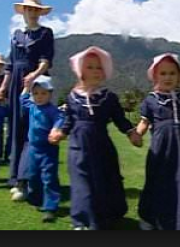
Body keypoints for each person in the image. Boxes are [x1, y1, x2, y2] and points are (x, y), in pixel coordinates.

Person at [49, 46, 141, 230]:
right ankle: (82, 219)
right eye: (90, 67)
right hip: (78, 148)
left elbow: (119, 119)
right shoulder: (72, 97)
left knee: (105, 180)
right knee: (82, 183)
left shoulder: (109, 97)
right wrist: (60, 133)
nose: (95, 71)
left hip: (102, 147)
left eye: (99, 67)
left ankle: (107, 215)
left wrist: (132, 133)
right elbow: (68, 121)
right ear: (80, 71)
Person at [0, 0, 54, 195]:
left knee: (34, 129)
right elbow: (10, 65)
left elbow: (46, 60)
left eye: (35, 9)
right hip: (15, 84)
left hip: (36, 83)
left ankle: (27, 178)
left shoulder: (46, 33)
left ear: (40, 12)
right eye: (29, 9)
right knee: (15, 129)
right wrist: (3, 87)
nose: (32, 12)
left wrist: (34, 76)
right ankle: (15, 177)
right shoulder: (16, 34)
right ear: (24, 11)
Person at [135, 53, 180, 230]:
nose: (168, 77)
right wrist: (137, 135)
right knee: (156, 181)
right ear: (155, 76)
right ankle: (149, 217)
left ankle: (178, 220)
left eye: (172, 73)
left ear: (179, 76)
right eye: (163, 73)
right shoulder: (151, 100)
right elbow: (144, 122)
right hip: (160, 150)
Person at [20, 75, 64, 223]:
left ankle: (50, 207)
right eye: (36, 93)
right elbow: (22, 100)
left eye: (43, 93)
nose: (39, 97)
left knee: (49, 177)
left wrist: (55, 129)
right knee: (33, 175)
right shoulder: (32, 107)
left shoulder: (52, 110)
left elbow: (60, 119)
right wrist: (26, 86)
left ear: (50, 94)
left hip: (48, 149)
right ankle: (36, 199)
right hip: (33, 148)